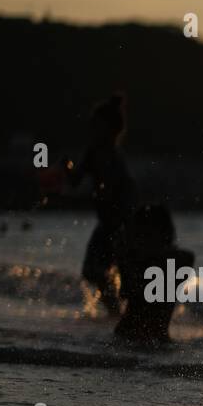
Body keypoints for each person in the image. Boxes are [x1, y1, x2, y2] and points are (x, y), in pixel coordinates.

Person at [68, 95, 136, 314]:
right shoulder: (92, 153)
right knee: (94, 271)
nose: (92, 129)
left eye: (96, 125)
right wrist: (63, 169)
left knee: (105, 273)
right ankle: (115, 313)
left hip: (120, 224)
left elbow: (116, 194)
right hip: (106, 223)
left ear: (111, 130)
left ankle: (118, 314)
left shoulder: (113, 158)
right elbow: (75, 181)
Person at [113, 204, 194, 346]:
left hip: (151, 341)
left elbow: (185, 257)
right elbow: (126, 292)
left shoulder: (175, 261)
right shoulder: (134, 260)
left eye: (142, 234)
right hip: (129, 339)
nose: (136, 238)